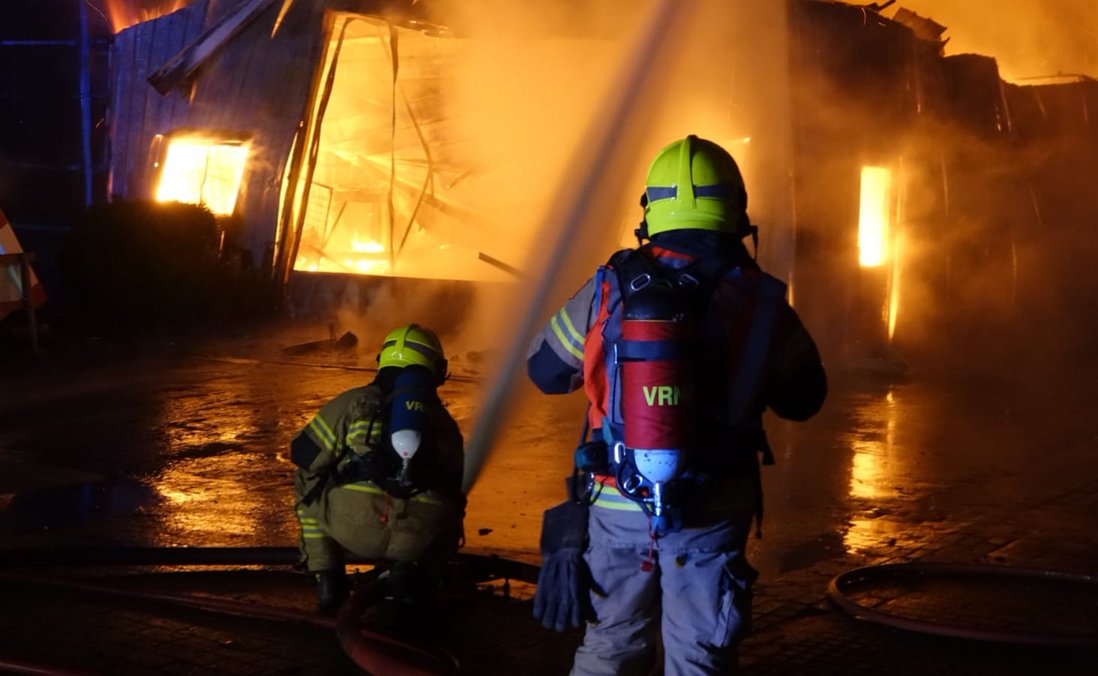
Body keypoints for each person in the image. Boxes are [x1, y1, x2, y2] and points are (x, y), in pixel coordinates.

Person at [527, 135, 827, 674]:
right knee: (699, 656)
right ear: (736, 208)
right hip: (711, 506)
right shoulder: (761, 300)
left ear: (651, 209)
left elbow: (545, 371)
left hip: (617, 501)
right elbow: (805, 399)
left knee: (609, 647)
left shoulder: (609, 286)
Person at [291, 323, 466, 615]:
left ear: (381, 362)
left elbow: (303, 454)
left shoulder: (354, 402)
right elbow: (454, 491)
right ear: (437, 368)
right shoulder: (446, 424)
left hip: (353, 529)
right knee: (453, 504)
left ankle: (327, 577)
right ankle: (414, 580)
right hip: (417, 541)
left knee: (306, 479)